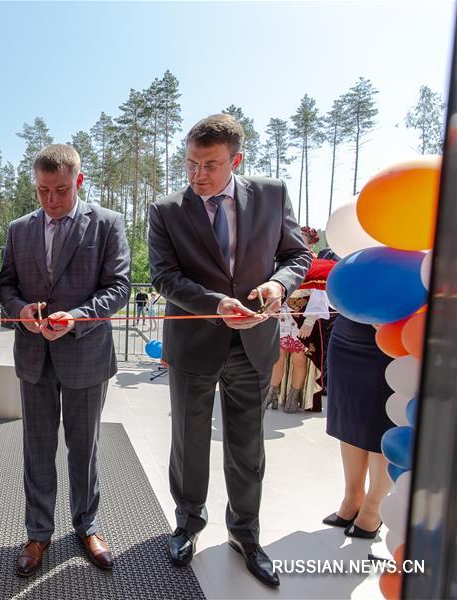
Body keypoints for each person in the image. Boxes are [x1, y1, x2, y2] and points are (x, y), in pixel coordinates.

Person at [148, 114, 311, 588]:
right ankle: (188, 523)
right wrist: (215, 303)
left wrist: (279, 287)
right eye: (191, 163)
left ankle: (245, 533)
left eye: (210, 165)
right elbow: (163, 276)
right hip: (194, 343)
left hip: (253, 345)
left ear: (237, 160)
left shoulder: (273, 194)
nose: (197, 175)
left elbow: (296, 256)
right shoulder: (165, 209)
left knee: (247, 446)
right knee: (189, 441)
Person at [0, 144, 130, 578]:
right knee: (37, 449)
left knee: (84, 448)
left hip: (86, 354)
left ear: (79, 180)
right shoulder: (19, 229)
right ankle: (38, 533)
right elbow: (8, 285)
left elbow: (118, 288)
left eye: (60, 190)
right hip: (34, 356)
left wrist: (74, 317)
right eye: (42, 191)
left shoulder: (108, 224)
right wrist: (21, 312)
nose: (51, 200)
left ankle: (86, 526)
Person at [323, 315, 395, 539]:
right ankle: (352, 498)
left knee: (379, 424)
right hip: (347, 330)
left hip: (392, 332)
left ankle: (373, 508)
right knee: (348, 419)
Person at [267, 227, 334, 413]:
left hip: (303, 318)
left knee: (299, 359)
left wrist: (309, 322)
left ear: (310, 242)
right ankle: (272, 393)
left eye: (301, 238)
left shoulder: (316, 264)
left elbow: (319, 296)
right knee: (277, 358)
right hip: (283, 317)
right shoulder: (280, 261)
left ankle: (294, 397)